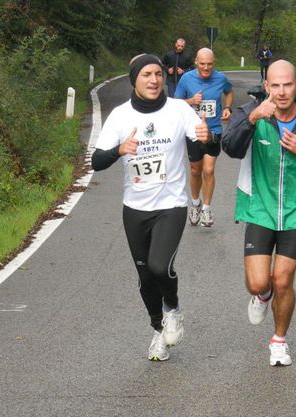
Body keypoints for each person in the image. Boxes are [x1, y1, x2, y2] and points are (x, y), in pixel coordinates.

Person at [221, 60, 296, 366]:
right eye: (275, 85)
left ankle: (279, 340)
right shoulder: (253, 113)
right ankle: (261, 296)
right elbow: (229, 147)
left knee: (283, 280)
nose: (281, 91)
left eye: (287, 84)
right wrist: (251, 119)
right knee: (259, 283)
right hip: (260, 208)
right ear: (267, 87)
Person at [91, 54, 209, 362]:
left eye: (158, 73)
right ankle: (158, 330)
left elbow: (202, 151)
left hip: (171, 204)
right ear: (135, 79)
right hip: (135, 208)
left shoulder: (179, 110)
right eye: (146, 74)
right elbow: (97, 161)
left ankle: (173, 309)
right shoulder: (120, 116)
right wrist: (120, 150)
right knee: (145, 278)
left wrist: (206, 140)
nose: (154, 80)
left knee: (160, 266)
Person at [175, 47, 234, 227]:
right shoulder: (186, 79)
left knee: (208, 170)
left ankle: (207, 209)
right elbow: (176, 103)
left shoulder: (221, 78)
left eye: (209, 64)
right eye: (202, 64)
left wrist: (227, 107)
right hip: (193, 131)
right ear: (196, 62)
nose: (206, 68)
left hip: (213, 130)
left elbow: (229, 92)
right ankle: (195, 204)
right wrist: (191, 101)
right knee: (195, 170)